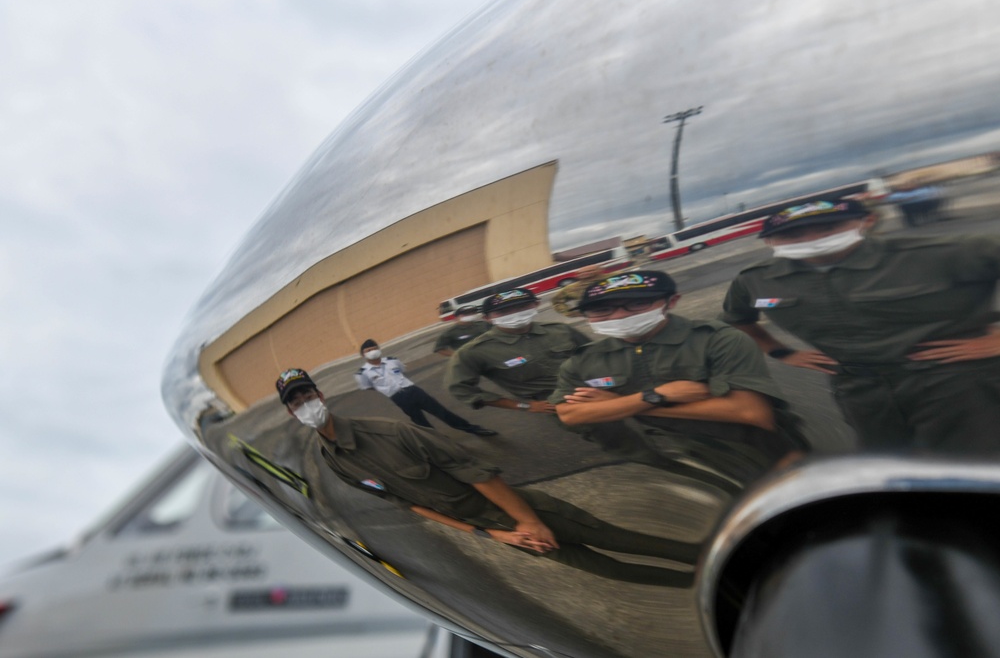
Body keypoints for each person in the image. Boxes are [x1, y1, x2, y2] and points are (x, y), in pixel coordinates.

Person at [276, 368, 699, 587]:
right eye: (295, 401)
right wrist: (488, 535)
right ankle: (694, 583)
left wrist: (527, 522)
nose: (305, 403)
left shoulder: (392, 432)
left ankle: (710, 558)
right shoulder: (333, 461)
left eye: (307, 394)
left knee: (625, 541)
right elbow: (411, 505)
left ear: (320, 395)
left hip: (519, 511)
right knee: (611, 570)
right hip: (496, 529)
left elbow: (478, 473)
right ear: (291, 412)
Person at [718, 198, 1000, 453]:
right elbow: (737, 321)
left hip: (955, 382)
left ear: (866, 221)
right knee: (890, 463)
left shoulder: (941, 253)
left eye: (828, 227)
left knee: (974, 462)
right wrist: (783, 353)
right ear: (770, 242)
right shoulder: (756, 281)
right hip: (859, 389)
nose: (811, 238)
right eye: (791, 234)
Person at [551, 270, 806, 465]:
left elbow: (751, 413)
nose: (619, 316)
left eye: (637, 304)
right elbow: (570, 415)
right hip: (682, 454)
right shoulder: (584, 360)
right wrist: (655, 397)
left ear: (671, 301)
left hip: (758, 448)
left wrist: (624, 404)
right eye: (602, 309)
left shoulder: (716, 339)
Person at [445, 288, 591, 413]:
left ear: (536, 305)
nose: (515, 314)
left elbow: (595, 355)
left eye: (523, 307)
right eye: (503, 311)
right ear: (487, 318)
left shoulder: (560, 329)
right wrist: (524, 406)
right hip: (557, 402)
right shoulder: (473, 351)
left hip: (594, 386)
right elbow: (460, 389)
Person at [355, 339, 497, 437]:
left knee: (441, 411)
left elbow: (401, 370)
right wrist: (387, 389)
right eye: (368, 350)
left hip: (414, 391)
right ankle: (437, 441)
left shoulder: (393, 361)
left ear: (379, 349)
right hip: (398, 397)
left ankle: (473, 429)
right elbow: (368, 387)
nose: (372, 351)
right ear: (363, 354)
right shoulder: (362, 373)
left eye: (374, 348)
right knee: (419, 420)